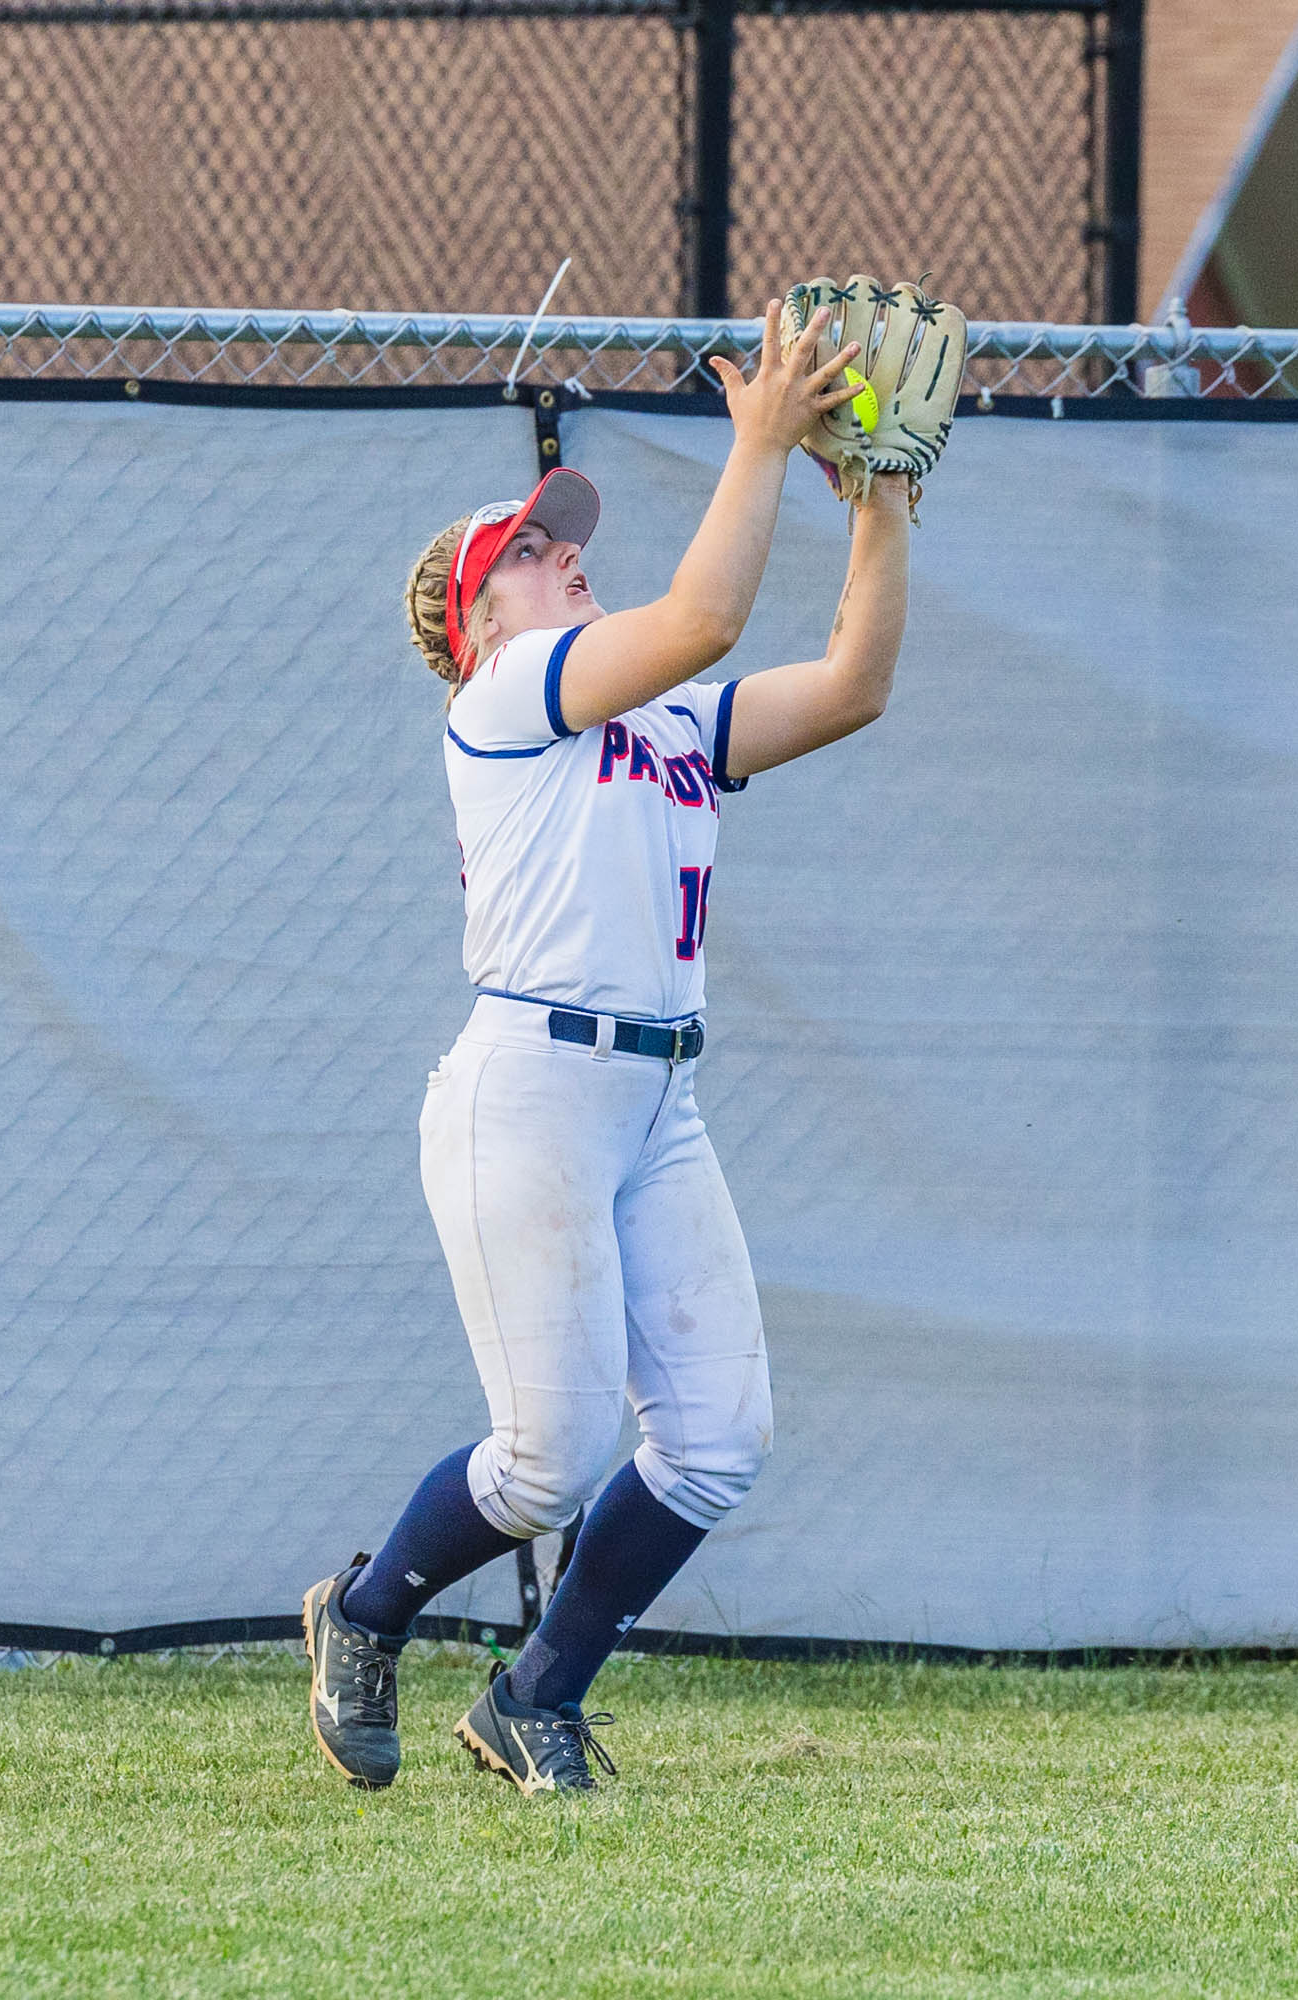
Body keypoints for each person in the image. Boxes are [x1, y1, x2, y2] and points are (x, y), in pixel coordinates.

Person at [303, 299, 914, 1794]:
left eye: (559, 538)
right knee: (548, 1460)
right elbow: (705, 616)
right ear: (479, 627)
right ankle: (365, 1615)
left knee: (716, 1438)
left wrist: (882, 500)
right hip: (531, 1089)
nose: (560, 552)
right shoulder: (507, 697)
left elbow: (852, 685)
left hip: (655, 1098)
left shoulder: (666, 719)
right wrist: (759, 441)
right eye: (525, 552)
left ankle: (537, 1698)